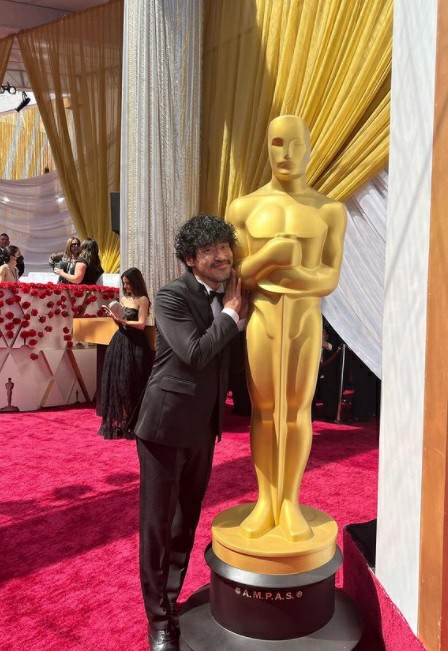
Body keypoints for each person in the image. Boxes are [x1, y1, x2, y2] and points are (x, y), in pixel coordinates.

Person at [226, 115, 347, 542]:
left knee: (297, 410)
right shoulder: (243, 207)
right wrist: (272, 257)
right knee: (263, 411)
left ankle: (290, 501)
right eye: (278, 143)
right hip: (262, 319)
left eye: (296, 144)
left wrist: (290, 275)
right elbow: (238, 274)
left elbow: (329, 278)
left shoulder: (330, 210)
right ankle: (265, 501)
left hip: (304, 319)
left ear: (310, 148)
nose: (287, 154)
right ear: (267, 147)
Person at [134, 215, 248, 651]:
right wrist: (234, 315)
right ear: (190, 259)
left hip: (204, 427)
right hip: (165, 425)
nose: (222, 256)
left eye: (225, 247)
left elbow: (230, 365)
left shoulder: (230, 295)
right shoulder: (171, 296)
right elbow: (196, 354)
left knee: (186, 519)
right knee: (158, 526)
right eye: (209, 251)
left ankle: (171, 598)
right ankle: (159, 620)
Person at [98, 268, 152, 440]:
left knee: (131, 382)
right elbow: (121, 324)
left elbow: (142, 324)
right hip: (120, 342)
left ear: (136, 282)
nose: (126, 286)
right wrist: (115, 319)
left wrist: (124, 320)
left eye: (128, 283)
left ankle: (134, 422)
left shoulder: (143, 300)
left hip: (135, 344)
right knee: (117, 382)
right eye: (124, 283)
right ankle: (123, 421)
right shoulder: (123, 299)